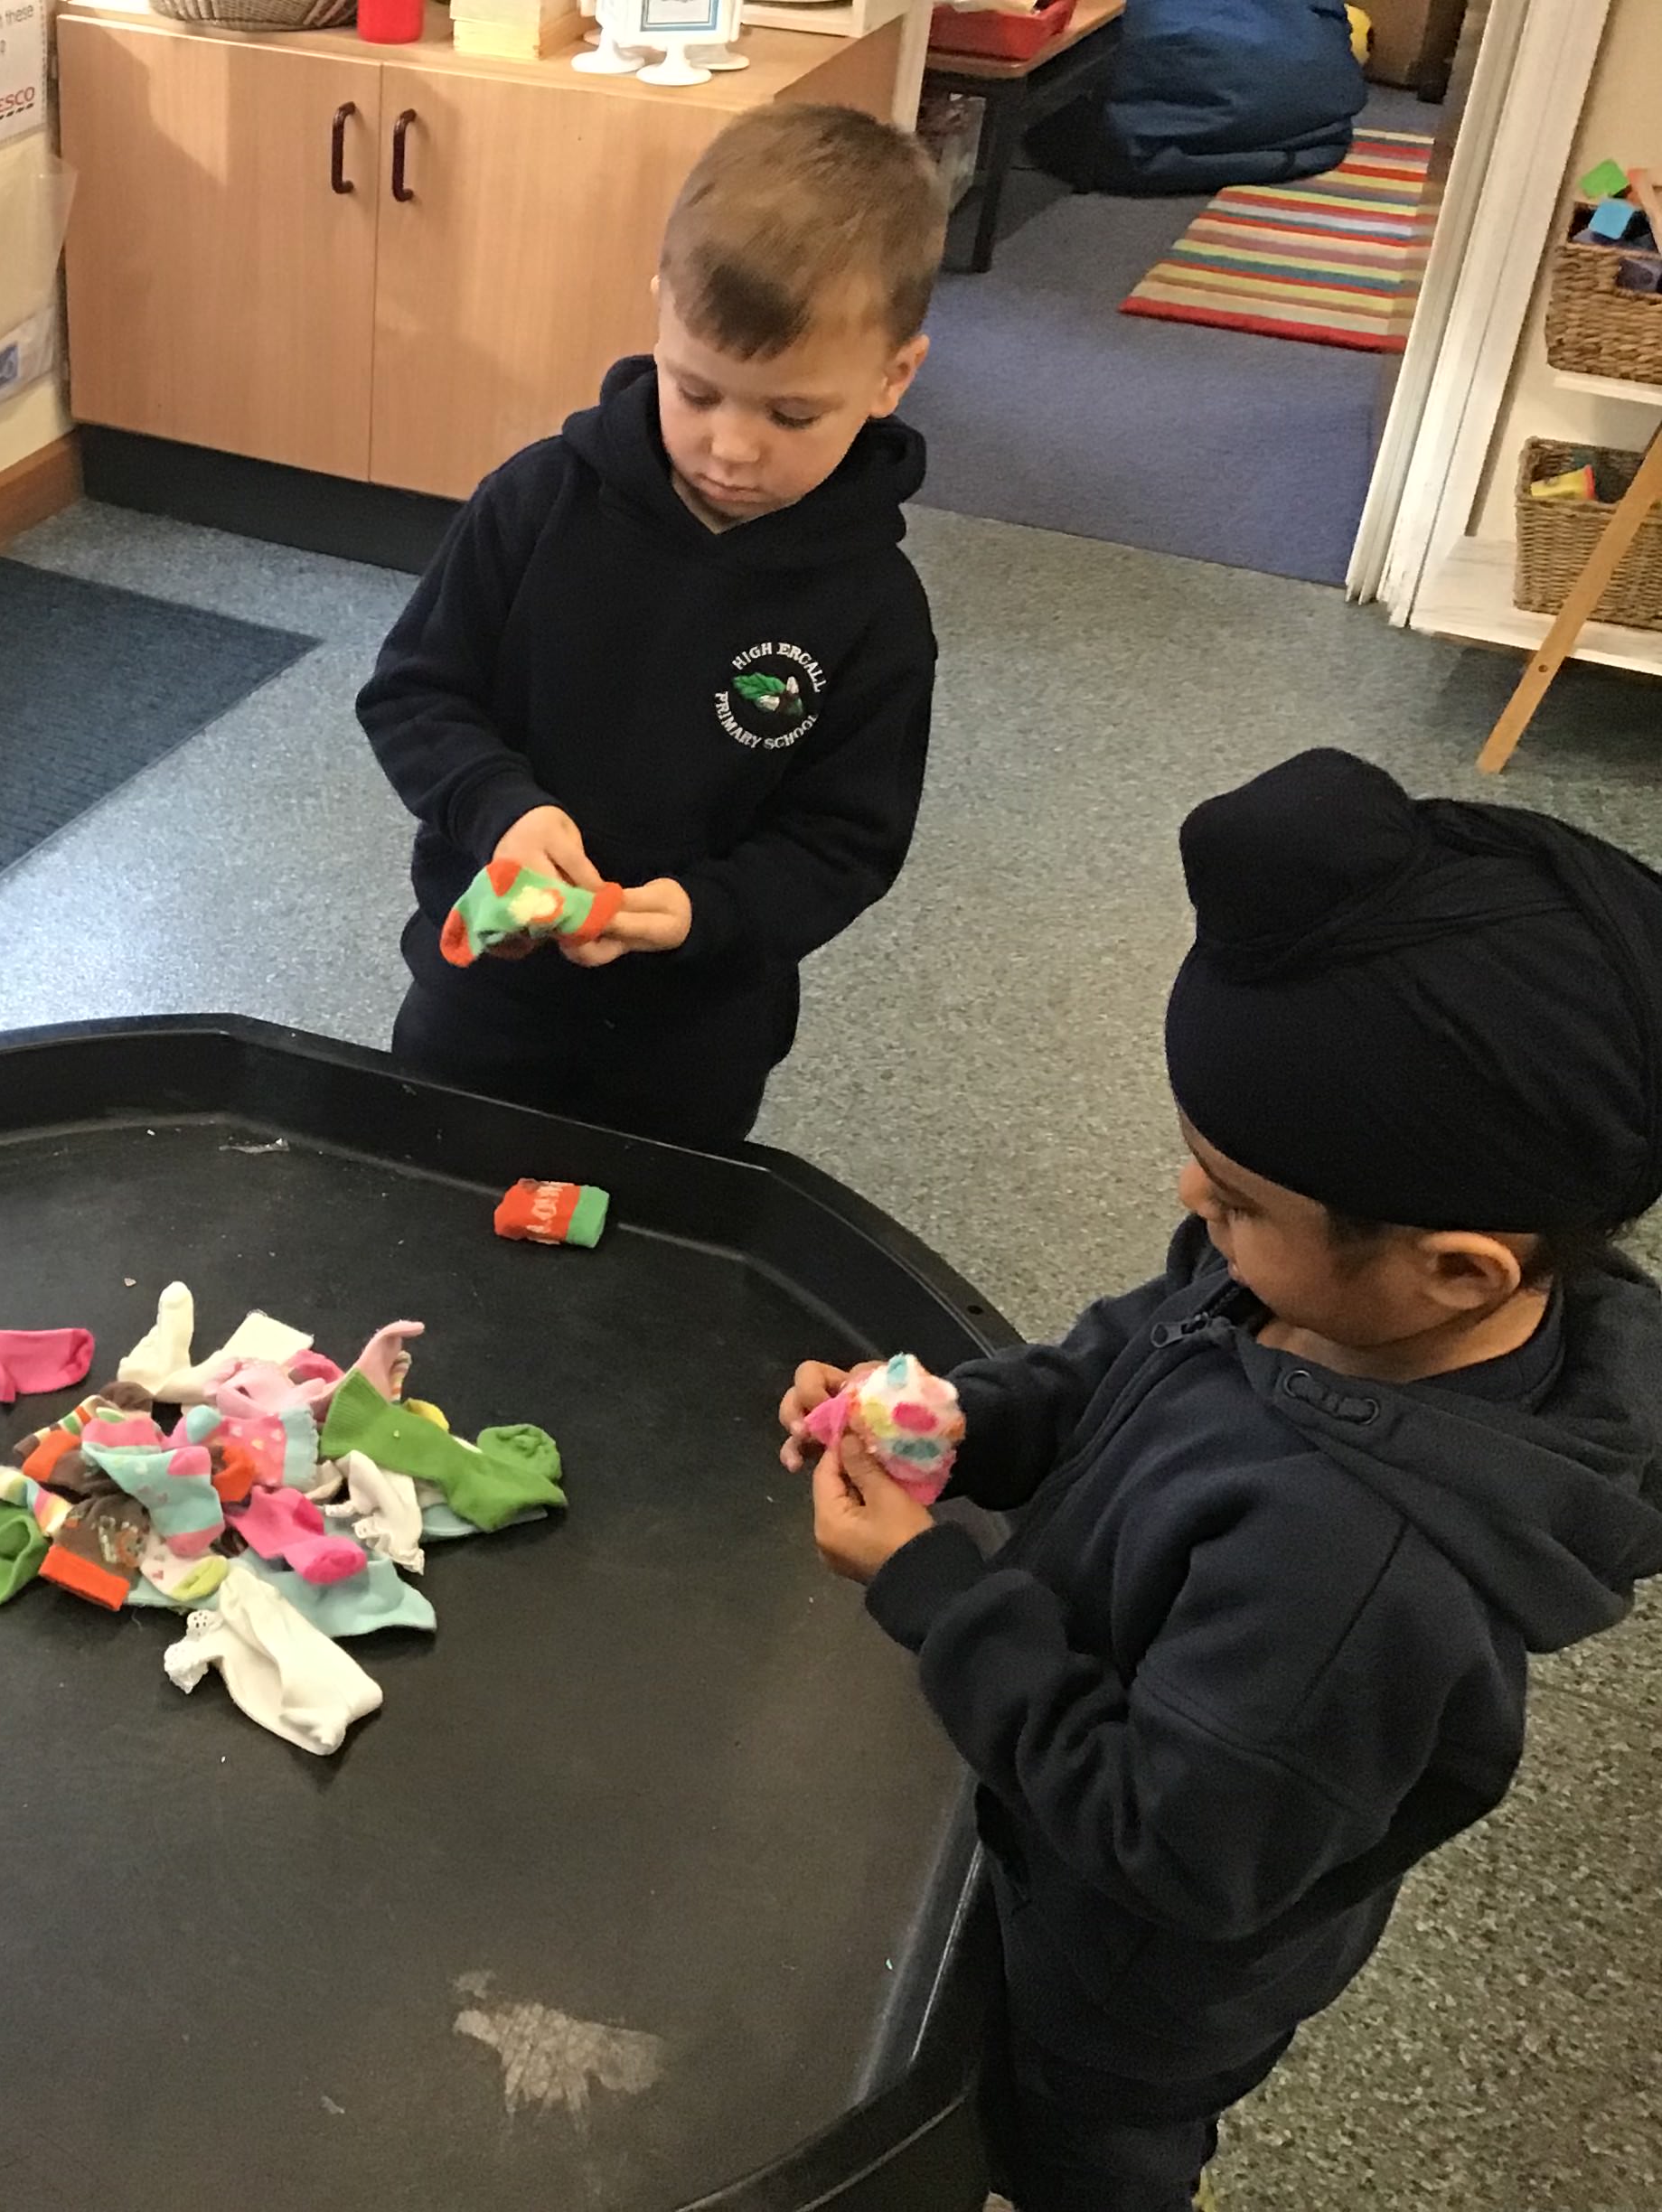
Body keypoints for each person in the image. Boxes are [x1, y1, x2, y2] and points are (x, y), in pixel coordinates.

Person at [783, 748, 1662, 2212]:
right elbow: (1120, 1359)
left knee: (1076, 2152)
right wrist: (952, 1426)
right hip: (1055, 1799)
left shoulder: (1355, 1570)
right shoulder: (1305, 1282)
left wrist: (935, 1590)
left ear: (1456, 1271)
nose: (1193, 1203)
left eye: (1236, 1198)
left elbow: (1169, 1847)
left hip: (1123, 1986)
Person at [362, 100, 945, 1147]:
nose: (731, 447)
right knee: (435, 1191)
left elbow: (844, 843)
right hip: (483, 994)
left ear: (892, 378)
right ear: (660, 316)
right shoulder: (535, 504)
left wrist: (700, 911)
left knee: (650, 1234)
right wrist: (501, 811)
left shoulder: (876, 612)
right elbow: (415, 693)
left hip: (693, 1031)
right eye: (697, 391)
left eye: (790, 414)